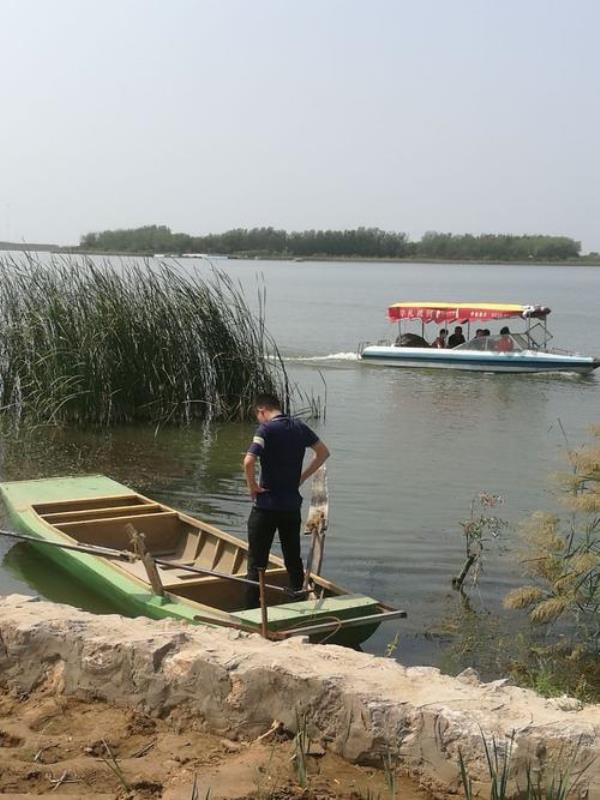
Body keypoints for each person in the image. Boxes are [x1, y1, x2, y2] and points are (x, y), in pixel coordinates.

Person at [243, 393, 330, 608]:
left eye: (258, 416)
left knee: (256, 562)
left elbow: (248, 461)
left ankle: (252, 609)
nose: (259, 420)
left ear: (261, 411)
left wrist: (252, 486)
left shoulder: (265, 429)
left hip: (266, 507)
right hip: (291, 506)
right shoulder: (300, 427)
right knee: (293, 557)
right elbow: (323, 453)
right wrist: (300, 478)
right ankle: (297, 603)